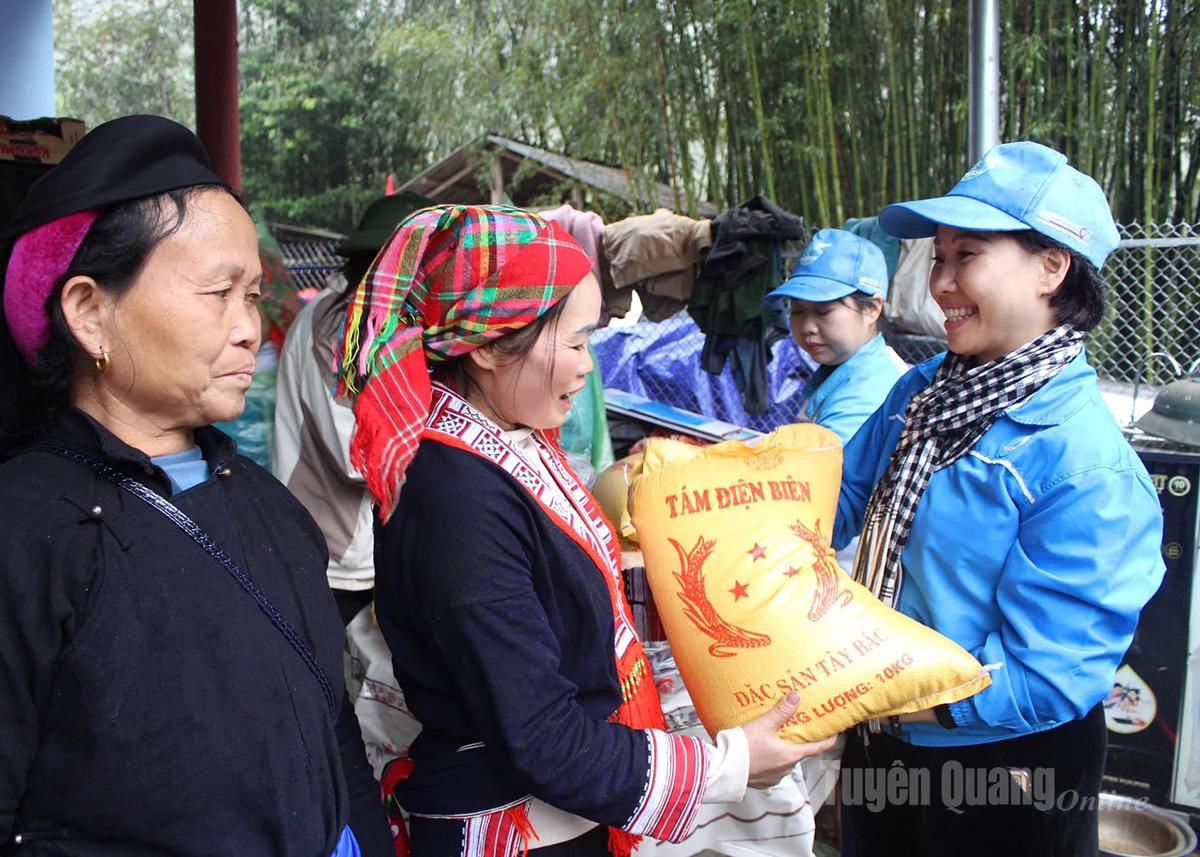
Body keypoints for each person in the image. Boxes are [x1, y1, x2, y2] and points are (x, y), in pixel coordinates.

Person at [335, 204, 835, 857]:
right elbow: (541, 737)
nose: (588, 365)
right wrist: (730, 764)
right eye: (572, 342)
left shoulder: (501, 440)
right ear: (486, 343)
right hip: (513, 830)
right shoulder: (454, 499)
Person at [0, 115, 392, 857]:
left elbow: (336, 740)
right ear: (90, 312)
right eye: (219, 292)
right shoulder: (25, 535)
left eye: (252, 295)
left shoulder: (272, 508)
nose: (250, 327)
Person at [833, 141, 1166, 856]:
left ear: (1054, 265)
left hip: (1002, 770)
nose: (941, 284)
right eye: (939, 258)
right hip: (883, 730)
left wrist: (866, 695)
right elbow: (834, 496)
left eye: (969, 255)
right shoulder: (921, 396)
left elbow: (1045, 675)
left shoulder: (1085, 467)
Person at [273, 191, 429, 626]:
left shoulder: (377, 317)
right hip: (336, 554)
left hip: (362, 549)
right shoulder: (338, 327)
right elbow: (357, 453)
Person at [766, 227, 907, 445]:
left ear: (871, 309)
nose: (807, 327)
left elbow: (818, 474)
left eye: (823, 311)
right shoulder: (851, 368)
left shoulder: (866, 395)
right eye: (797, 311)